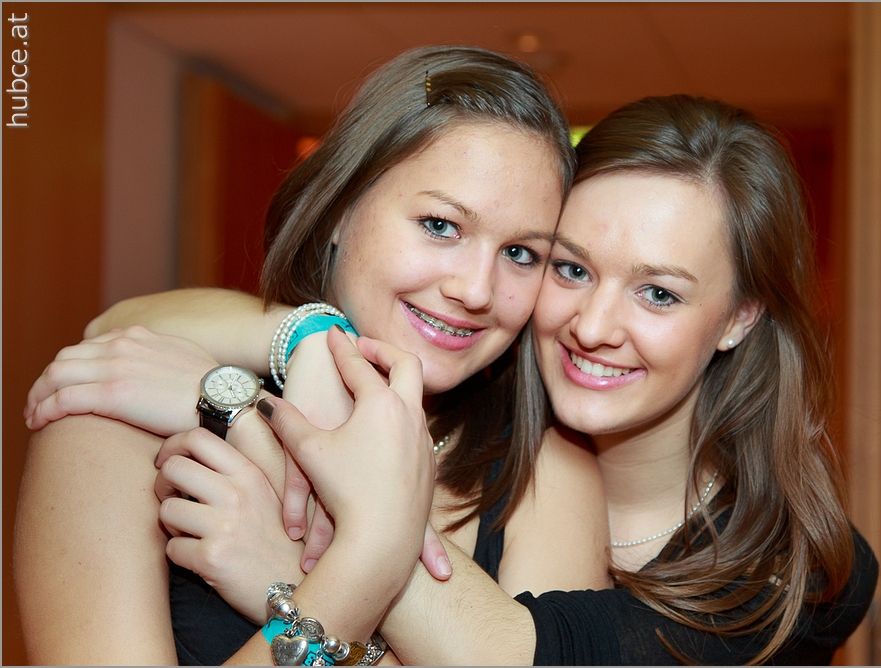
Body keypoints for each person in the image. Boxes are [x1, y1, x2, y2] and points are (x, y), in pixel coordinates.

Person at [90, 94, 877, 665]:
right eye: (569, 268)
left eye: (659, 293)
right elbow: (121, 325)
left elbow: (514, 652)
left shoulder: (795, 569)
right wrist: (308, 339)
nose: (594, 326)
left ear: (739, 317)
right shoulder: (488, 425)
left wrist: (293, 566)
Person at [14, 45, 611, 665]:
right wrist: (353, 571)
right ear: (340, 212)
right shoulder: (121, 415)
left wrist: (286, 585)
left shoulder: (547, 473)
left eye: (521, 253)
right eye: (440, 225)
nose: (477, 290)